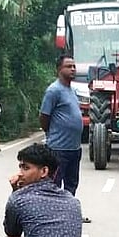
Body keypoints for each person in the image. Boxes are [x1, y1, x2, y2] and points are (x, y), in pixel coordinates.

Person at [41, 56, 90, 223]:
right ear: (59, 70)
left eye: (74, 66)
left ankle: (68, 213)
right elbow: (44, 116)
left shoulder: (72, 91)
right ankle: (51, 215)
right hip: (58, 148)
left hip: (74, 148)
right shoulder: (53, 91)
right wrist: (51, 134)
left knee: (71, 183)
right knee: (54, 184)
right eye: (68, 66)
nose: (73, 69)